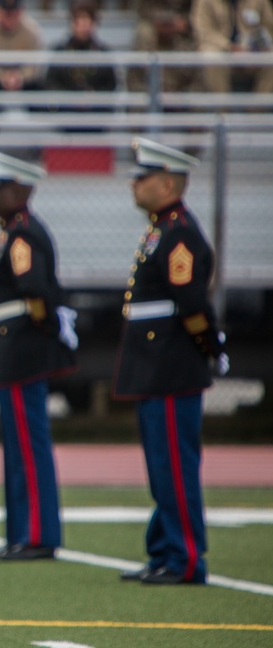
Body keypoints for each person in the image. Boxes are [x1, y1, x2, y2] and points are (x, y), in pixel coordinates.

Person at [115, 137, 228, 585]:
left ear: (166, 183)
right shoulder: (162, 229)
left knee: (175, 467)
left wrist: (210, 350)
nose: (133, 184)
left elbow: (192, 303)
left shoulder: (178, 233)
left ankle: (183, 559)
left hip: (171, 366)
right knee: (162, 465)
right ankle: (164, 549)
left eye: (142, 178)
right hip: (156, 365)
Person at [0, 150, 77, 561]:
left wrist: (46, 331)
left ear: (20, 189)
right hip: (12, 348)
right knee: (18, 447)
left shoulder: (22, 235)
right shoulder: (12, 231)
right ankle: (23, 532)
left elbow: (35, 292)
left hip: (20, 350)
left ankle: (36, 534)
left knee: (28, 446)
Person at [191, 0, 273, 94]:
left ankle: (260, 106)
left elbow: (269, 28)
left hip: (251, 50)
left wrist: (250, 46)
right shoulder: (204, 1)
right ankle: (222, 106)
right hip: (221, 49)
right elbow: (203, 31)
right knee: (211, 56)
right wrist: (229, 46)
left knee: (271, 57)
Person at [45, 0, 118, 96]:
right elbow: (51, 83)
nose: (83, 27)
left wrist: (93, 96)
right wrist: (71, 97)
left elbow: (110, 85)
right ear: (72, 23)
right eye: (79, 21)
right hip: (65, 108)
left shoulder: (103, 53)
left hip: (96, 108)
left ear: (94, 24)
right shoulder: (60, 51)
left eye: (87, 21)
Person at [0, 0, 45, 92]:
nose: (10, 18)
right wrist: (2, 77)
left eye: (14, 13)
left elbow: (35, 64)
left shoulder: (32, 30)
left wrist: (20, 77)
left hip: (24, 80)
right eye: (6, 14)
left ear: (21, 12)